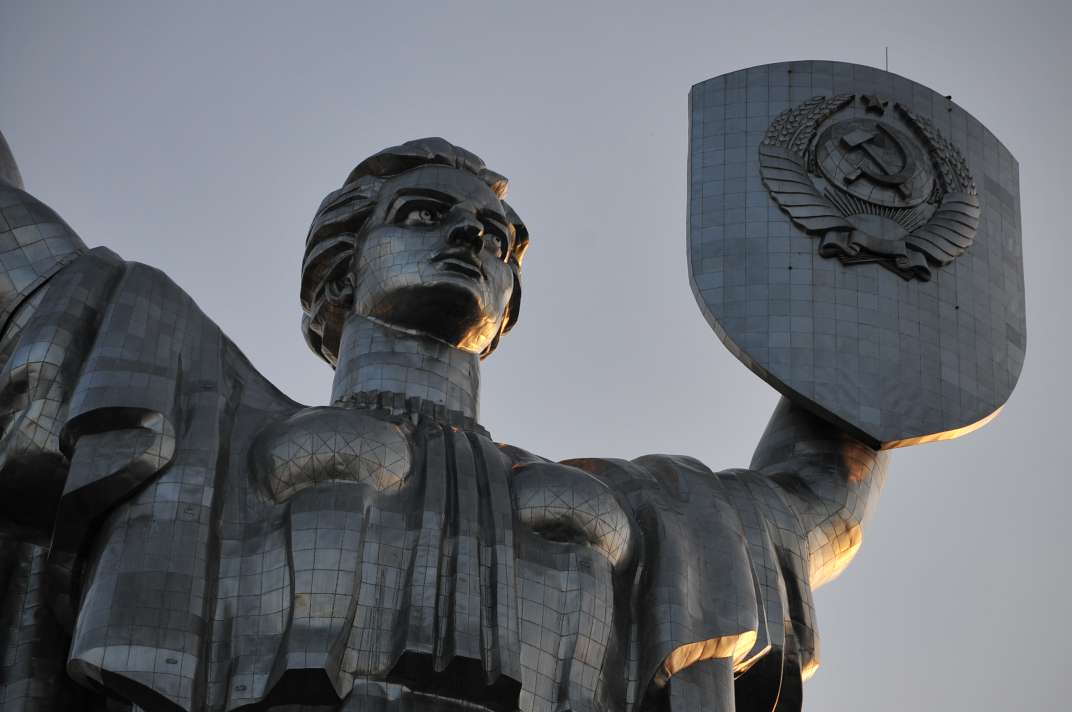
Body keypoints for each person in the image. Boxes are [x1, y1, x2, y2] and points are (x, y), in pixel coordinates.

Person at [0, 136, 886, 712]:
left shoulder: (652, 509)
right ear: (340, 273)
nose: (470, 236)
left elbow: (813, 498)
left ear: (506, 308)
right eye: (425, 216)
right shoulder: (205, 405)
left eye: (496, 238)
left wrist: (881, 276)